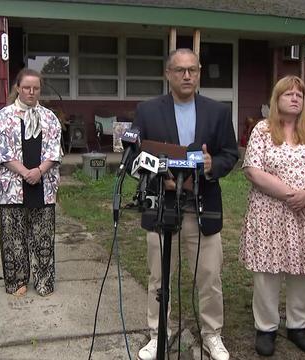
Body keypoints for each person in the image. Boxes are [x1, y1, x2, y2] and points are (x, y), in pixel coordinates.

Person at [132, 48, 239, 360]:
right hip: (162, 207)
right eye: (180, 70)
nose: (187, 75)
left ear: (200, 72)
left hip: (203, 208)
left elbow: (230, 154)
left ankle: (212, 335)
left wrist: (210, 164)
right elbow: (135, 158)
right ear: (168, 74)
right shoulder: (148, 111)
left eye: (192, 70)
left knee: (209, 276)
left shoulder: (217, 112)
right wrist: (158, 178)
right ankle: (158, 334)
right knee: (159, 276)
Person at [239, 75, 305, 357]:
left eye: (299, 95)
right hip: (269, 214)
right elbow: (253, 170)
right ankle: (266, 327)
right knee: (267, 272)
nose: (295, 98)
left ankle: (298, 326)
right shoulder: (263, 131)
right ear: (276, 99)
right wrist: (294, 195)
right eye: (288, 94)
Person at [0, 68, 63, 297]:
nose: (31, 92)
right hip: (12, 187)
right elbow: (2, 152)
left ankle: (44, 281)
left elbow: (55, 150)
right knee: (14, 237)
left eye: (36, 88)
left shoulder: (49, 118)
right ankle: (17, 281)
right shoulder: (4, 117)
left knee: (43, 237)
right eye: (27, 87)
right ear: (18, 88)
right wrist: (25, 173)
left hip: (44, 184)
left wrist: (39, 171)